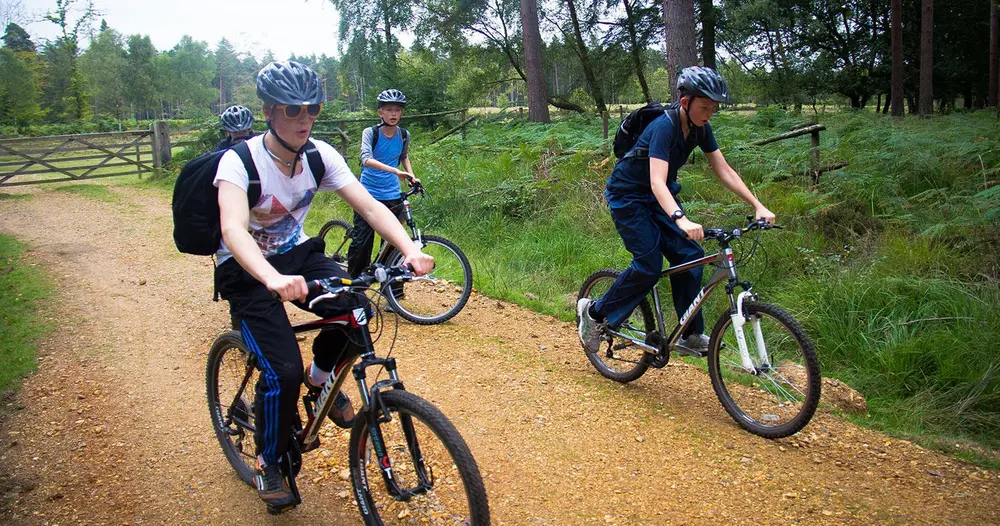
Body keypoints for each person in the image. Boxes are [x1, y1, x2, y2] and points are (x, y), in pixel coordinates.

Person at [213, 61, 433, 510]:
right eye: (292, 109)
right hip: (244, 268)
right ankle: (270, 461)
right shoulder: (239, 161)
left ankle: (319, 387)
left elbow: (370, 207)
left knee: (357, 310)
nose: (304, 119)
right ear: (269, 111)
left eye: (311, 109)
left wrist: (408, 248)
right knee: (282, 372)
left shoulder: (320, 155)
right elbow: (234, 229)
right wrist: (271, 277)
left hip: (296, 257)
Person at [577, 66, 775, 356]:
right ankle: (595, 314)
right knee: (649, 265)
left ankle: (689, 334)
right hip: (629, 196)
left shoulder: (700, 128)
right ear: (686, 103)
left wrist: (757, 205)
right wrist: (681, 219)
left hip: (661, 196)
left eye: (714, 108)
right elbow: (656, 180)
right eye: (704, 106)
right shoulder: (664, 126)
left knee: (691, 256)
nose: (709, 113)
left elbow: (724, 170)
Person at [345, 88, 420, 279]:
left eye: (397, 110)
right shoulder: (370, 133)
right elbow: (366, 159)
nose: (393, 114)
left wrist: (412, 176)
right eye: (388, 110)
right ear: (380, 112)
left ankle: (392, 291)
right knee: (363, 242)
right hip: (367, 194)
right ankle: (354, 289)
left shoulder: (403, 135)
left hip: (392, 194)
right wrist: (395, 171)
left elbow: (404, 156)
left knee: (394, 245)